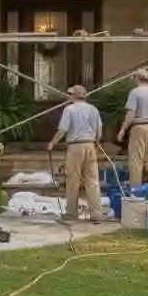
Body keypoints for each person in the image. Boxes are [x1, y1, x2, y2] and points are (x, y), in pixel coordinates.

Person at [47, 85, 103, 223]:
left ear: (74, 95)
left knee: (73, 180)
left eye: (70, 94)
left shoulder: (69, 109)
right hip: (90, 144)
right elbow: (99, 131)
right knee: (92, 180)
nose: (68, 96)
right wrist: (95, 143)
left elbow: (62, 130)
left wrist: (52, 143)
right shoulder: (93, 109)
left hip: (75, 146)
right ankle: (96, 214)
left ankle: (71, 213)